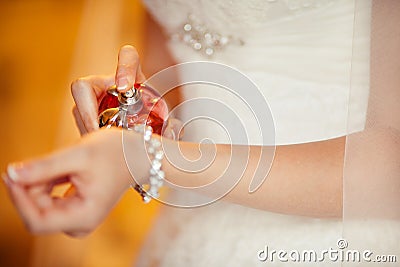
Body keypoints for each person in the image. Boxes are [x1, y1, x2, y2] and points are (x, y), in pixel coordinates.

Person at [3, 0, 399, 266]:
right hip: (191, 237)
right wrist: (136, 110)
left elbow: (391, 167)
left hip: (342, 237)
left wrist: (148, 157)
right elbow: (176, 84)